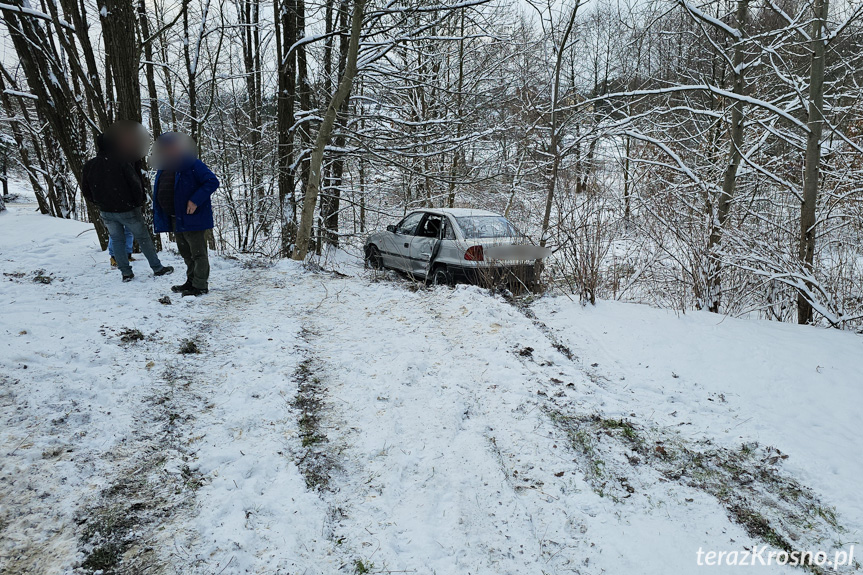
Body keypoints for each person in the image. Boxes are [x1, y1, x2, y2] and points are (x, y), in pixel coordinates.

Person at [81, 122, 174, 282]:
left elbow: (86, 189)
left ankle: (125, 273)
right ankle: (157, 268)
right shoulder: (122, 161)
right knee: (143, 238)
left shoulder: (90, 165)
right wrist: (139, 201)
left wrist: (98, 202)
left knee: (117, 239)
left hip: (106, 211)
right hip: (128, 209)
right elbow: (135, 183)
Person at [151, 133, 219, 297]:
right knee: (186, 253)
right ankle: (191, 281)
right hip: (176, 218)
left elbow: (212, 182)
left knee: (198, 253)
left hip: (193, 217)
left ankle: (200, 285)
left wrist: (195, 200)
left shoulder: (192, 163)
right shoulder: (165, 165)